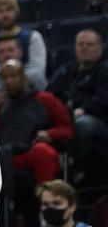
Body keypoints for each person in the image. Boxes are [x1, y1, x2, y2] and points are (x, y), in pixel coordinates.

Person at [0, 59, 72, 184]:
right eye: (5, 77)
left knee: (41, 151)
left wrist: (50, 134)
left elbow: (67, 130)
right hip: (8, 157)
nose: (9, 81)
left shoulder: (45, 99)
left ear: (24, 77)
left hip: (33, 153)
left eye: (13, 76)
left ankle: (47, 200)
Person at [46, 29, 108, 184]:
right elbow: (49, 95)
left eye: (90, 44)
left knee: (82, 124)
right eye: (81, 44)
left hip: (98, 120)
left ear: (99, 48)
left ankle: (76, 168)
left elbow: (104, 98)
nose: (85, 48)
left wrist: (84, 109)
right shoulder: (67, 70)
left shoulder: (104, 69)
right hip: (66, 118)